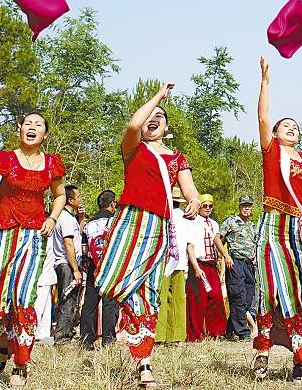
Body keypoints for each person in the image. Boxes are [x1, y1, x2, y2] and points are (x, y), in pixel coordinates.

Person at [94, 83, 200, 388]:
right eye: (149, 116)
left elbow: (189, 188)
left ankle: (144, 363)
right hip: (130, 222)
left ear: (166, 127)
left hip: (159, 228)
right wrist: (158, 97)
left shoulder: (177, 158)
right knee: (107, 282)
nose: (152, 120)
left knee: (149, 294)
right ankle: (130, 315)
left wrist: (192, 200)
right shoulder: (134, 148)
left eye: (160, 117)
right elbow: (132, 124)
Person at [0, 112, 67, 387]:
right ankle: (3, 346)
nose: (32, 127)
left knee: (23, 298)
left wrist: (52, 217)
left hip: (34, 235)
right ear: (19, 129)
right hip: (3, 232)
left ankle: (21, 363)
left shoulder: (51, 164)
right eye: (28, 123)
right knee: (0, 299)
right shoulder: (5, 158)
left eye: (38, 125)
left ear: (45, 134)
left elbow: (60, 195)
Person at [253, 57, 302, 381]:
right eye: (285, 126)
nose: (291, 128)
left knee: (299, 291)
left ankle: (300, 358)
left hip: (297, 231)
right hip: (271, 227)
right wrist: (265, 81)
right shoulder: (271, 152)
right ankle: (263, 351)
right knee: (268, 289)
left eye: (295, 126)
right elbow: (263, 115)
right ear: (276, 134)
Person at [185, 193, 232, 342]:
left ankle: (216, 331)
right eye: (204, 205)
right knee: (198, 300)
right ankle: (196, 334)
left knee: (216, 297)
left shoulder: (214, 223)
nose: (207, 208)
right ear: (199, 206)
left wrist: (225, 255)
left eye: (210, 205)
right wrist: (196, 268)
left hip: (212, 263)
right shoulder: (193, 222)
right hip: (199, 263)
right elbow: (190, 247)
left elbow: (216, 240)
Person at [81, 189, 120, 350]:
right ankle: (108, 339)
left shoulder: (88, 224)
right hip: (110, 267)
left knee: (89, 304)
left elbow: (84, 250)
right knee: (109, 304)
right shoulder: (115, 222)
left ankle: (87, 340)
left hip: (93, 266)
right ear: (112, 204)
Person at [155, 186, 190, 344]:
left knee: (161, 298)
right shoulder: (186, 218)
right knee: (178, 300)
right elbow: (190, 244)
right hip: (181, 262)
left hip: (164, 263)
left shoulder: (162, 216)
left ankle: (160, 335)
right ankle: (177, 335)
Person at [220, 195, 258, 341]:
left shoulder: (251, 225)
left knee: (248, 298)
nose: (246, 208)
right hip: (236, 262)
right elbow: (218, 239)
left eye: (249, 205)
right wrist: (225, 255)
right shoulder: (231, 222)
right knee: (238, 296)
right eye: (244, 205)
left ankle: (230, 329)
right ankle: (243, 333)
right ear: (239, 206)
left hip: (249, 264)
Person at [51, 185, 84, 344]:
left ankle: (66, 333)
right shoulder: (64, 218)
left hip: (67, 264)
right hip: (67, 264)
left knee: (71, 300)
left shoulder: (70, 218)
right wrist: (75, 269)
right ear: (70, 200)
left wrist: (81, 220)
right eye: (78, 197)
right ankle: (62, 338)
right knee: (68, 300)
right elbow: (69, 244)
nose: (80, 199)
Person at [33, 235, 57, 346]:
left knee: (44, 308)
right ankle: (35, 333)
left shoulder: (48, 235)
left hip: (45, 276)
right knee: (39, 308)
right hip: (41, 277)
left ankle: (42, 335)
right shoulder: (40, 235)